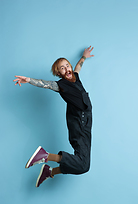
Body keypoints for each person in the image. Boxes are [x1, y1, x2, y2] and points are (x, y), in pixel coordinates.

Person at [13, 46, 94, 187]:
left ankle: (50, 171)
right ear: (59, 73)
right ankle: (45, 156)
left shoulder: (76, 78)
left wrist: (84, 57)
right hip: (79, 124)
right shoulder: (61, 85)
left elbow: (78, 68)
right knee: (83, 164)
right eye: (62, 68)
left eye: (67, 65)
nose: (67, 69)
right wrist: (29, 79)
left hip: (86, 123)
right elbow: (45, 84)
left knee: (84, 165)